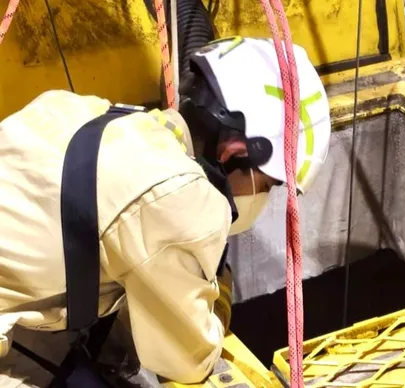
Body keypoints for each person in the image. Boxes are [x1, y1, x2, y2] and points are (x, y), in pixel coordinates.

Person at [0, 36, 331, 386]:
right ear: (233, 152)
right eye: (265, 185)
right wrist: (220, 298)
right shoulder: (176, 195)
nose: (261, 198)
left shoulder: (87, 112)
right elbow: (188, 360)